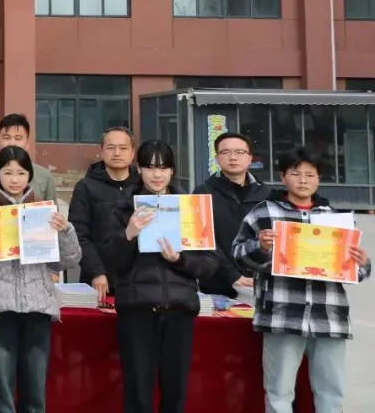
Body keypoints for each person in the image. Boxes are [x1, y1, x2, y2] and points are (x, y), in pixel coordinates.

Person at [232, 147, 371, 413]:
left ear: (319, 179)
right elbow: (238, 256)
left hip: (328, 315)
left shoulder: (336, 219)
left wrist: (362, 263)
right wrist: (260, 247)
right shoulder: (263, 213)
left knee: (331, 391)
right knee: (279, 391)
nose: (303, 180)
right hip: (282, 315)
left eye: (310, 174)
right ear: (283, 176)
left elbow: (354, 273)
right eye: (296, 173)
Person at [0, 145, 80, 413]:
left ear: (30, 176)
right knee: (0, 392)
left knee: (34, 392)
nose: (14, 179)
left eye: (21, 173)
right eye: (8, 172)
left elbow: (65, 261)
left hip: (37, 307)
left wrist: (65, 230)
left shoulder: (43, 209)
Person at [104, 140, 218, 413]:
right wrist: (129, 234)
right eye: (150, 167)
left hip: (179, 309)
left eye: (164, 168)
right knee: (137, 392)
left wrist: (180, 259)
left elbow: (210, 264)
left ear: (172, 171)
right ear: (139, 169)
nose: (157, 174)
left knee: (175, 392)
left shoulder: (191, 209)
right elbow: (112, 262)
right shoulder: (122, 208)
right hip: (137, 309)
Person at [68, 126, 140, 303]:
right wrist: (96, 271)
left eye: (123, 148)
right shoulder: (85, 187)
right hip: (99, 281)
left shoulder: (142, 187)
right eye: (111, 147)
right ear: (101, 151)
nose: (117, 153)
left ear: (132, 153)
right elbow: (78, 235)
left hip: (138, 281)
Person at [192, 132, 268, 298]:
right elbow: (202, 240)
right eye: (225, 152)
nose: (233, 158)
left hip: (258, 284)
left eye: (240, 152)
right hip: (215, 286)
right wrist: (232, 275)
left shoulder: (266, 194)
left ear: (250, 158)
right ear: (217, 158)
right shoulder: (202, 193)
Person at [0, 114, 58, 208]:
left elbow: (51, 212)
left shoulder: (44, 176)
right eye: (6, 138)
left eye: (18, 138)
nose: (12, 143)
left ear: (28, 143)